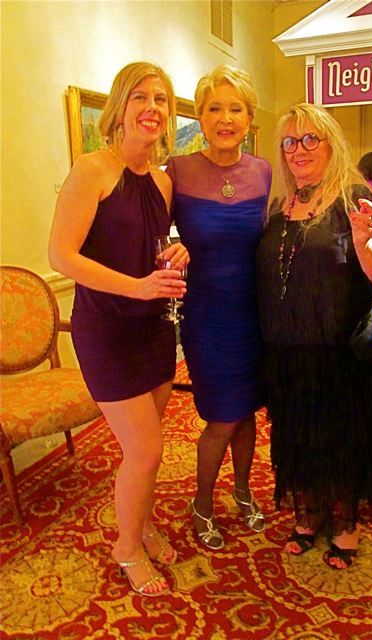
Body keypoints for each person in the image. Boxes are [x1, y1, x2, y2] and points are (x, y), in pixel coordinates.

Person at [49, 62, 188, 596]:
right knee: (146, 450)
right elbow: (60, 256)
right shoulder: (92, 169)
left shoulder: (163, 181)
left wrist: (179, 251)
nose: (152, 107)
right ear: (120, 107)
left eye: (161, 99)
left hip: (154, 327)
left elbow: (152, 244)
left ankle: (143, 524)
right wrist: (136, 287)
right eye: (140, 97)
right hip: (107, 330)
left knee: (145, 449)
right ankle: (126, 546)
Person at [256, 103, 372, 570]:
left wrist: (364, 244)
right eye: (289, 141)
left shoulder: (354, 199)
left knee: (341, 438)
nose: (298, 150)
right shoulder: (279, 207)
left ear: (331, 143)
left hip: (340, 354)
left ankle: (343, 524)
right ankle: (308, 513)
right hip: (288, 350)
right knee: (297, 435)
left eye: (309, 139)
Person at [166, 65, 271, 549]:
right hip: (206, 316)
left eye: (235, 109)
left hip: (254, 316)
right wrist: (170, 250)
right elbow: (153, 235)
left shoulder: (264, 171)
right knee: (223, 416)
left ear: (249, 118)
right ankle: (203, 502)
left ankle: (243, 491)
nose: (225, 119)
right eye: (214, 109)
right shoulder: (178, 170)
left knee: (246, 412)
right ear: (200, 117)